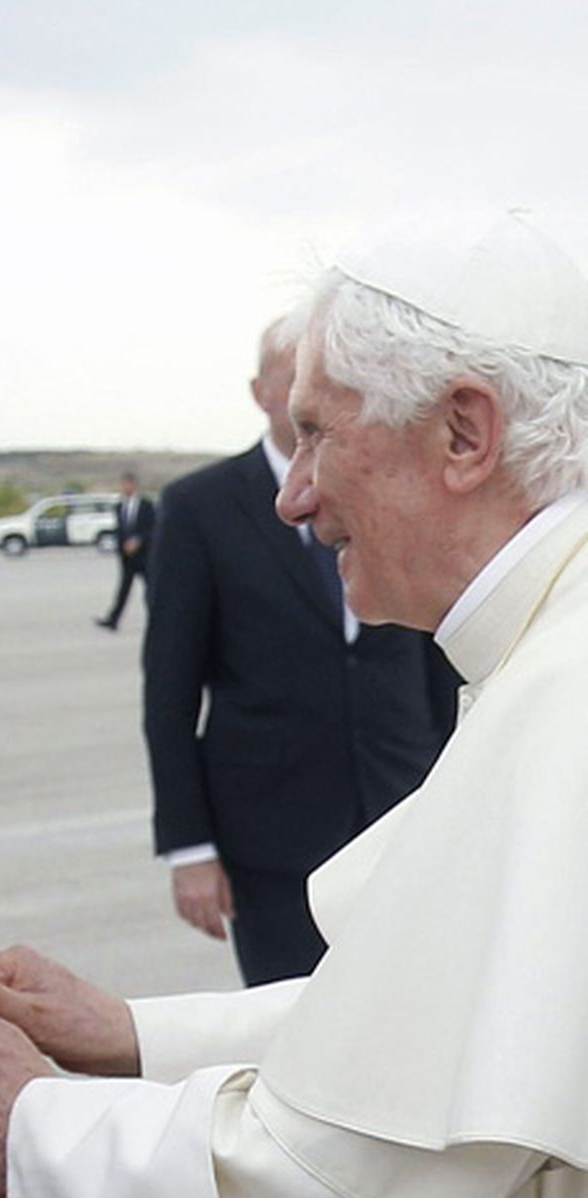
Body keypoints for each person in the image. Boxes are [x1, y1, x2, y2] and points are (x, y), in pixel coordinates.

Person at [0, 207, 588, 1198]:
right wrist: (128, 1033)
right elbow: (413, 1032)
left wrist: (21, 1119)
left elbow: (339, 1173)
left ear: (463, 433)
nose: (292, 496)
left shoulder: (566, 696)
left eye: (316, 435)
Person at [144, 317, 458, 984]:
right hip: (272, 833)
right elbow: (168, 693)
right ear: (261, 392)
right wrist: (188, 847)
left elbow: (436, 654)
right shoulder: (200, 508)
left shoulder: (396, 492)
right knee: (287, 1032)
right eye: (296, 387)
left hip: (400, 811)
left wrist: (450, 778)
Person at [95, 471, 154, 630]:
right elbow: (120, 530)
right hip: (127, 557)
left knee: (150, 591)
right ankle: (113, 620)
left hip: (144, 557)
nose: (124, 487)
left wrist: (138, 541)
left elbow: (153, 529)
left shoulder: (146, 505)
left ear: (134, 485)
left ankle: (157, 621)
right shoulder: (119, 507)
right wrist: (121, 546)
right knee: (123, 590)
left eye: (127, 484)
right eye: (123, 485)